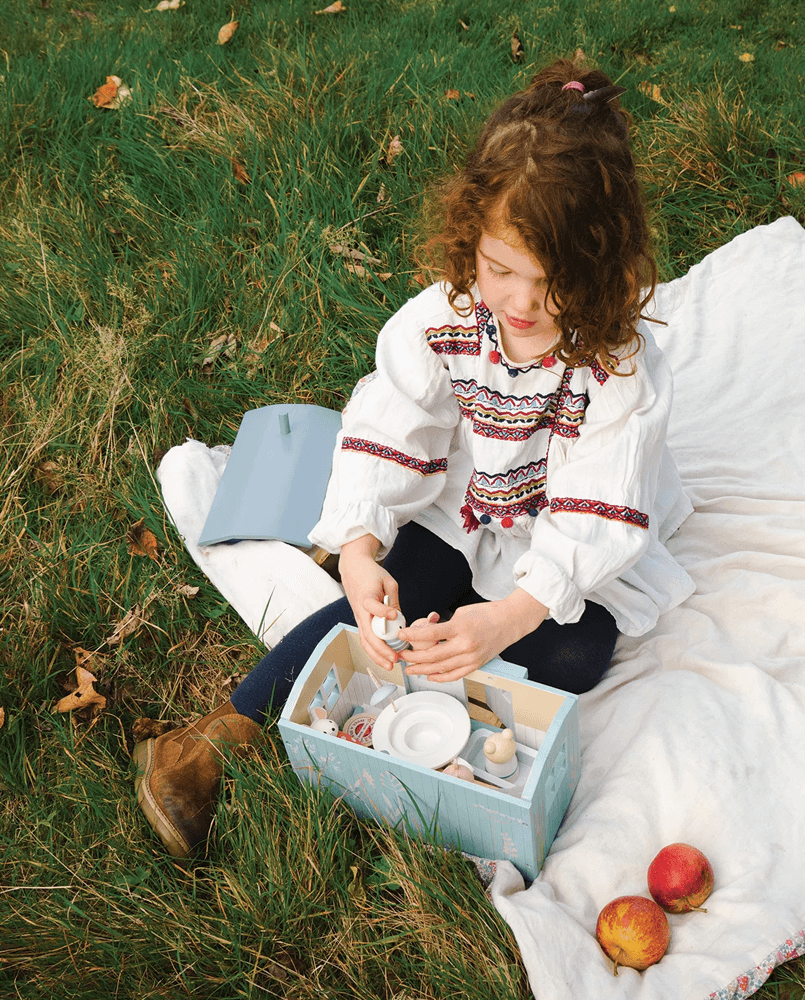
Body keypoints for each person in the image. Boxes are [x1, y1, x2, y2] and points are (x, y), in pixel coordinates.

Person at [133, 56, 695, 858]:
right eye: (501, 270)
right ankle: (219, 734)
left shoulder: (617, 363)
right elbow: (393, 425)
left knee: (573, 651)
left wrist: (506, 616)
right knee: (403, 593)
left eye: (552, 281)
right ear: (472, 241)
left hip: (564, 524)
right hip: (471, 501)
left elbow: (596, 506)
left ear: (601, 268)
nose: (523, 304)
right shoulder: (444, 319)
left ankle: (434, 701)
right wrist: (357, 549)